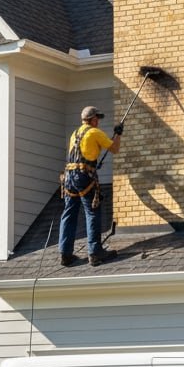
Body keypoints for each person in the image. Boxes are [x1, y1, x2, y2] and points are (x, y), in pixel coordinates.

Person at [59, 106, 122, 266]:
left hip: (69, 177)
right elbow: (114, 149)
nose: (98, 122)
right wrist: (118, 134)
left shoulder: (75, 134)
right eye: (97, 119)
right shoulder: (95, 132)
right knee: (92, 211)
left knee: (69, 213)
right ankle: (95, 252)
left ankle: (65, 253)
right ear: (93, 119)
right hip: (84, 176)